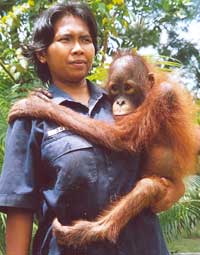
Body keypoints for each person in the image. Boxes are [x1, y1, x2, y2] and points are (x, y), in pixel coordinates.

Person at [0, 2, 185, 255]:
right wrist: (47, 110)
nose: (78, 49)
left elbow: (159, 158)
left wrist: (175, 188)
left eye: (85, 39)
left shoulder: (120, 101)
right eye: (66, 39)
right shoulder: (30, 116)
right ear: (43, 53)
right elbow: (19, 207)